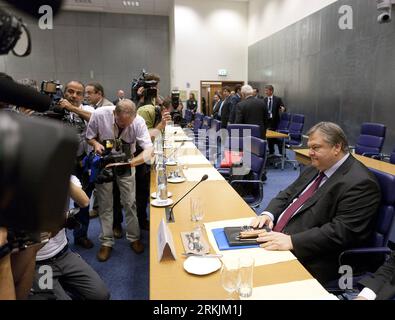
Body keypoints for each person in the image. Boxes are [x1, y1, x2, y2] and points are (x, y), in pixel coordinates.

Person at [251, 122, 381, 284]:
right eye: (309, 147)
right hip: (278, 236)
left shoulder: (360, 183)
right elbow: (288, 193)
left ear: (336, 147)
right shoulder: (319, 165)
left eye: (316, 147)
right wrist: (268, 214)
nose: (310, 153)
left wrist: (292, 241)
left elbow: (340, 232)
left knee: (252, 281)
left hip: (316, 256)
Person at [86, 99, 153, 261]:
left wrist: (131, 163)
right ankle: (106, 242)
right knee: (105, 204)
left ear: (135, 117)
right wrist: (95, 144)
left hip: (127, 162)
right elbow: (89, 137)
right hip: (105, 163)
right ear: (114, 113)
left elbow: (149, 150)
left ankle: (134, 237)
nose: (123, 126)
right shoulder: (99, 114)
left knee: (130, 203)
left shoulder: (138, 122)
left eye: (127, 124)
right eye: (120, 123)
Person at [30, 176, 110, 300]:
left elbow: (84, 201)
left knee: (101, 295)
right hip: (40, 263)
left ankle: (62, 285)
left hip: (63, 254)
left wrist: (60, 174)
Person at [58, 81, 95, 249]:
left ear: (83, 96)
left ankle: (81, 235)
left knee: (83, 202)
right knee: (58, 202)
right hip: (59, 164)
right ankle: (60, 240)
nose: (74, 95)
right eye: (70, 91)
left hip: (82, 163)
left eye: (78, 93)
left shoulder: (88, 110)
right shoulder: (55, 110)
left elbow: (94, 120)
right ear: (64, 92)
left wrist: (72, 108)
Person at [264, 85, 286, 155]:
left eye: (267, 90)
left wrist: (283, 109)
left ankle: (279, 152)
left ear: (271, 91)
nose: (265, 92)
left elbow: (283, 107)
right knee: (269, 137)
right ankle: (271, 151)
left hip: (275, 122)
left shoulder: (277, 99)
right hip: (267, 121)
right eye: (265, 90)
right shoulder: (264, 100)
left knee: (274, 137)